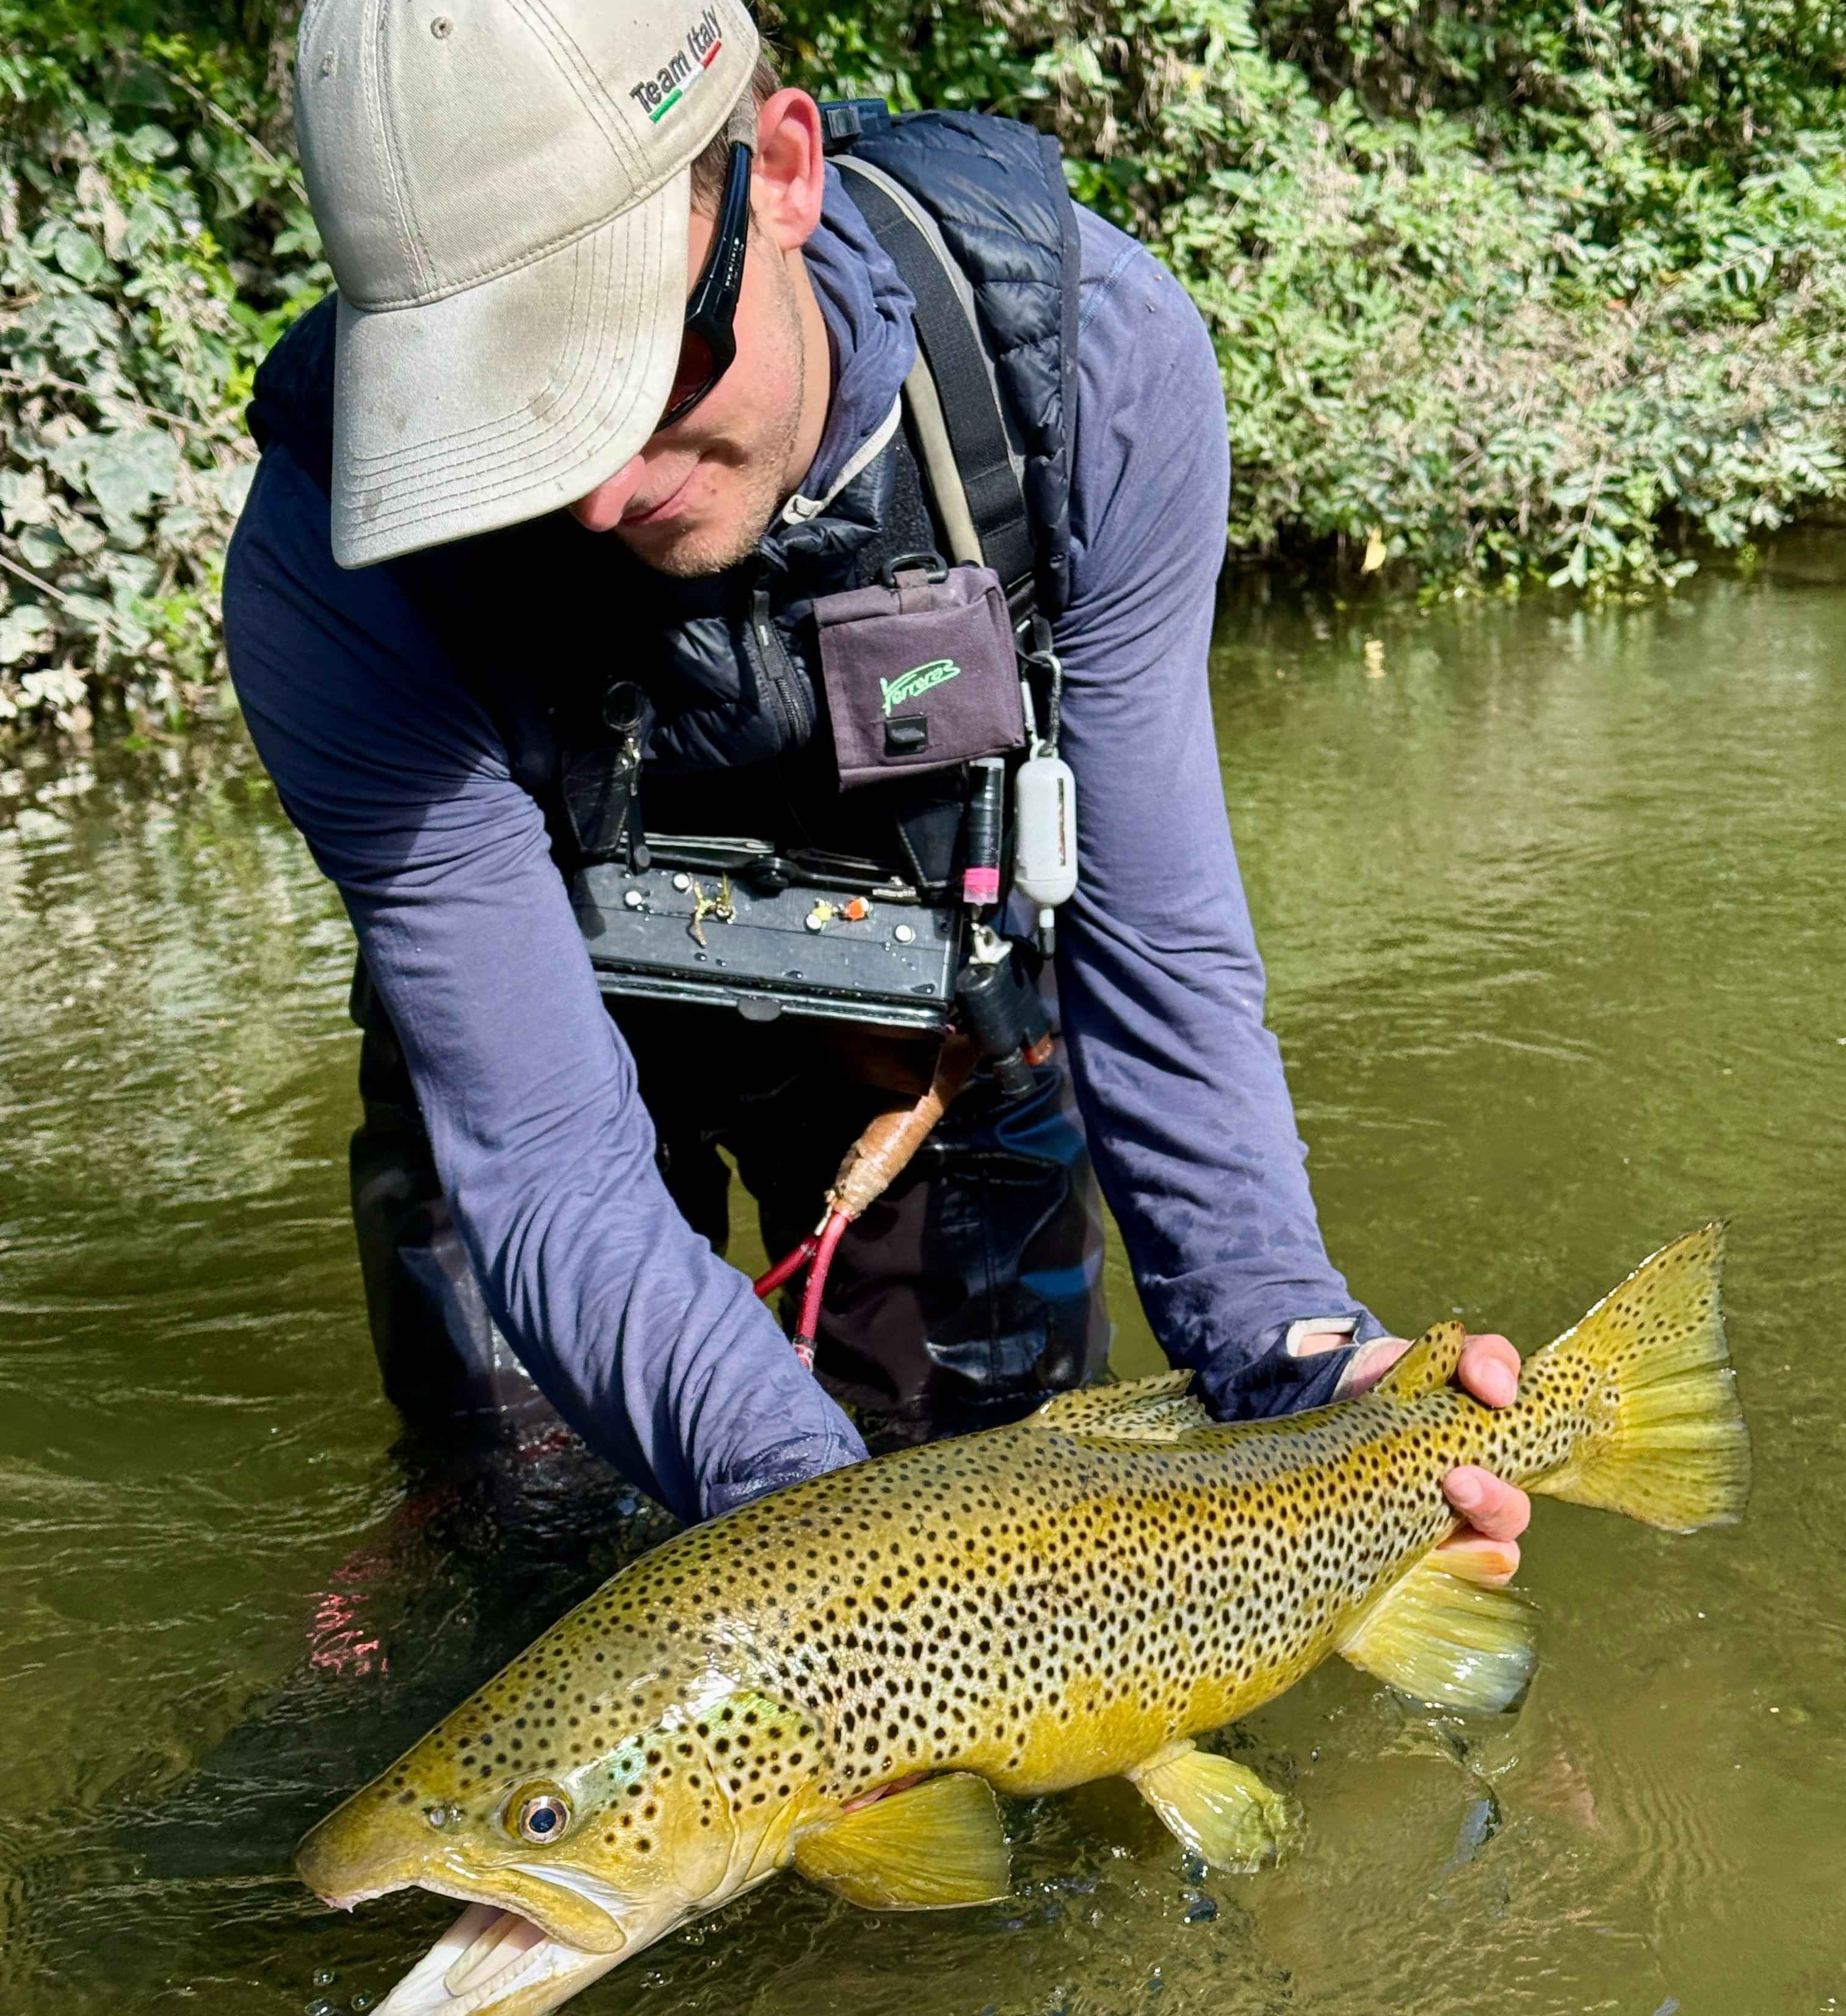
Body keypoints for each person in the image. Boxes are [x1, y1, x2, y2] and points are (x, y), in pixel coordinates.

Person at [223, 0, 1529, 1583]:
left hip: (919, 1034)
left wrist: (1294, 1350)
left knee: (1039, 1567)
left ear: (779, 175)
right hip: (528, 1041)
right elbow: (548, 1159)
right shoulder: (334, 572)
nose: (597, 492)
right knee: (521, 1574)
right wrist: (813, 1539)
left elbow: (1155, 949)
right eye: (499, 429)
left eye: (635, 371)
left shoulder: (1085, 379)